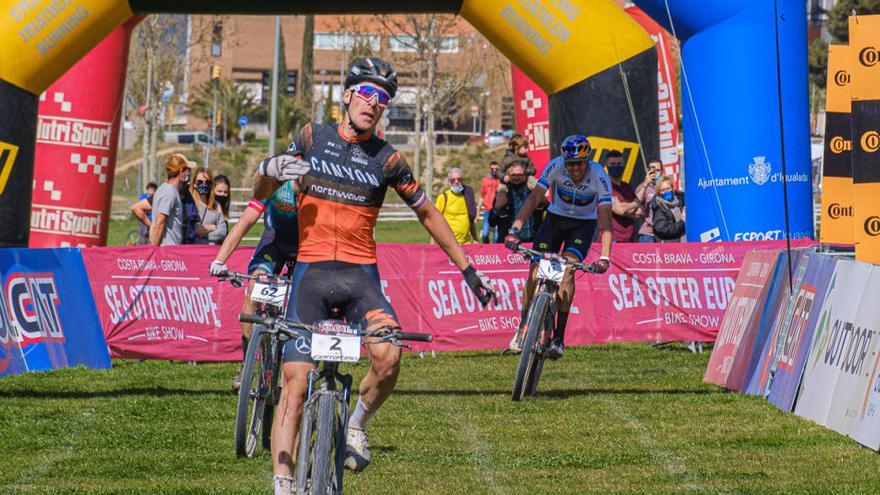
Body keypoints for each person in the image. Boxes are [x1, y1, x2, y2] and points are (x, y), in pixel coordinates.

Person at [249, 57, 495, 494]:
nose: (374, 103)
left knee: (389, 356)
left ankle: (356, 424)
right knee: (296, 388)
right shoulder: (311, 136)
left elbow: (428, 213)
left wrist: (468, 268)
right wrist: (267, 171)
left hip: (361, 279)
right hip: (311, 275)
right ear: (347, 95)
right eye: (367, 93)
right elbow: (264, 191)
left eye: (383, 99)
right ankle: (283, 485)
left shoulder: (389, 158)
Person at [504, 135, 613, 359]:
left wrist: (604, 256)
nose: (574, 168)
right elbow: (534, 199)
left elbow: (605, 221)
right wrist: (515, 228)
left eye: (579, 163)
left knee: (568, 271)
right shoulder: (556, 166)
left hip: (582, 226)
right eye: (570, 163)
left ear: (587, 160)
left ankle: (559, 337)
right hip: (555, 220)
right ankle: (524, 324)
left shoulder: (599, 176)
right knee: (535, 270)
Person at [210, 167, 299, 392]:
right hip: (275, 242)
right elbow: (244, 223)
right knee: (254, 287)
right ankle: (247, 363)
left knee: (305, 298)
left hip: (305, 245)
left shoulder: (314, 187)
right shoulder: (271, 186)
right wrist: (220, 260)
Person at [491, 162, 545, 242]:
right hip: (508, 245)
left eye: (520, 175)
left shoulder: (533, 193)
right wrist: (497, 208)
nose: (516, 178)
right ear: (508, 177)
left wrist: (543, 201)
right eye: (513, 175)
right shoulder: (503, 194)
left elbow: (549, 212)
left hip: (533, 243)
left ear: (526, 176)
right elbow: (491, 222)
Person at [149, 154, 191, 246]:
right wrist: (153, 250)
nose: (187, 174)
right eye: (186, 171)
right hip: (167, 250)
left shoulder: (163, 188)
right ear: (181, 172)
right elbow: (160, 223)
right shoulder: (169, 192)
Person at [606, 150, 644, 242]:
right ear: (607, 166)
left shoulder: (627, 187)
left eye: (619, 164)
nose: (616, 166)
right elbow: (620, 210)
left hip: (630, 240)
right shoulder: (604, 186)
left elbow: (640, 211)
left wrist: (626, 208)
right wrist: (635, 203)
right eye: (613, 164)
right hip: (612, 241)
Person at [186, 167, 227, 245]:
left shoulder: (216, 205)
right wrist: (212, 227)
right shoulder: (190, 203)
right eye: (199, 182)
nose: (203, 184)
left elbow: (223, 231)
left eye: (207, 182)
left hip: (212, 250)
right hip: (193, 250)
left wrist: (205, 234)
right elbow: (193, 229)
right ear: (194, 183)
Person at [436, 168, 478, 244]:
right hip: (448, 244)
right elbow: (434, 222)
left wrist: (475, 239)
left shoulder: (468, 196)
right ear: (449, 182)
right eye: (453, 180)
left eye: (459, 179)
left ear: (462, 181)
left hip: (466, 243)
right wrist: (431, 246)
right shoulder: (443, 198)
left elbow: (471, 220)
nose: (456, 182)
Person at [650, 176, 686, 242]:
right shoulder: (659, 207)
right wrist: (682, 223)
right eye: (663, 190)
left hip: (684, 241)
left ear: (672, 188)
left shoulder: (680, 202)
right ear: (659, 192)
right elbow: (662, 229)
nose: (666, 191)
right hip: (669, 245)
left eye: (668, 188)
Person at [635, 159, 662, 243]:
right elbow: (635, 205)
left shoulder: (665, 187)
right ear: (647, 171)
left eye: (658, 170)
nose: (655, 173)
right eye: (652, 170)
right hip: (647, 233)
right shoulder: (642, 187)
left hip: (663, 232)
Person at [478, 161, 501, 243]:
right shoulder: (485, 180)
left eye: (496, 169)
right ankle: (487, 249)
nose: (494, 170)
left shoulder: (501, 180)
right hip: (487, 210)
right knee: (484, 234)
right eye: (492, 169)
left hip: (498, 211)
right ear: (489, 169)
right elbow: (481, 196)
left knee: (497, 235)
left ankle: (495, 251)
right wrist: (478, 213)